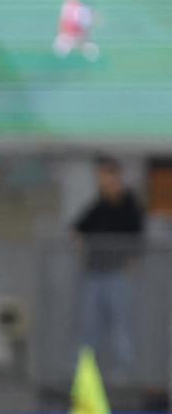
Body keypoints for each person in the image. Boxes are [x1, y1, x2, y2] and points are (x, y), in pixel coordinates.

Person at [73, 157, 144, 382]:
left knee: (120, 324)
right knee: (89, 323)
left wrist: (131, 262)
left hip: (117, 273)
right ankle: (85, 371)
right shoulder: (98, 205)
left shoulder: (128, 203)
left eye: (108, 178)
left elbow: (137, 235)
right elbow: (77, 228)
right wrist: (84, 251)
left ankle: (124, 371)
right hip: (94, 273)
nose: (104, 183)